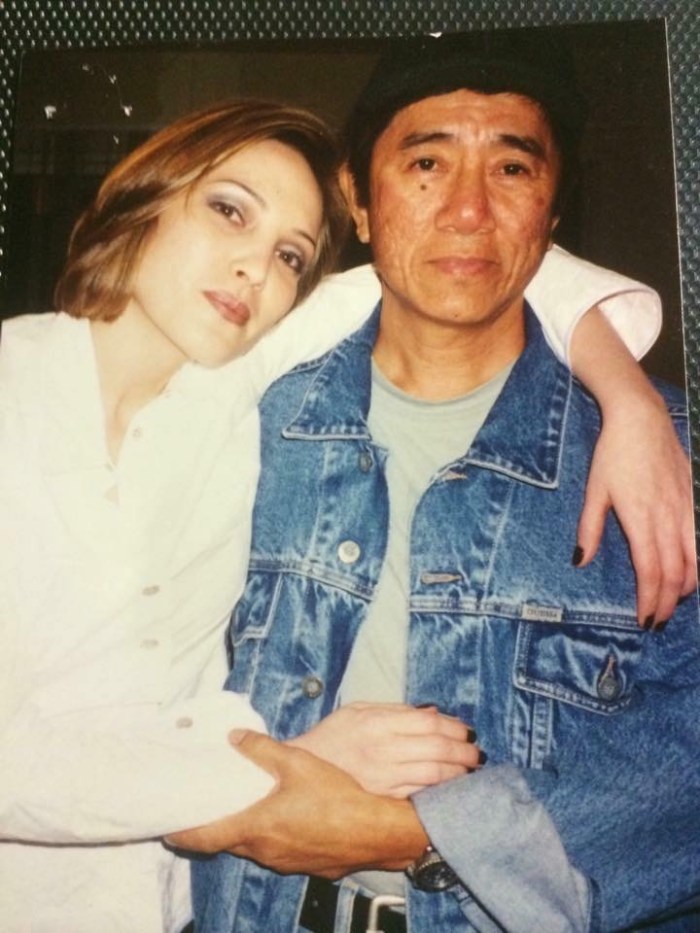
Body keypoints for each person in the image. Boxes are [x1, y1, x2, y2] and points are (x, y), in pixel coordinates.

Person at [0, 87, 692, 933]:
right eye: (228, 210)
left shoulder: (237, 373)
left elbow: (464, 251)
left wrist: (632, 402)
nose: (256, 268)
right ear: (144, 196)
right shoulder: (40, 387)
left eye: (292, 255)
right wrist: (269, 779)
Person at [179, 28, 700, 933]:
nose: (468, 209)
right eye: (425, 162)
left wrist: (415, 833)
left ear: (552, 209)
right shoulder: (246, 424)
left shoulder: (662, 458)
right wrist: (259, 769)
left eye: (512, 168)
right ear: (359, 198)